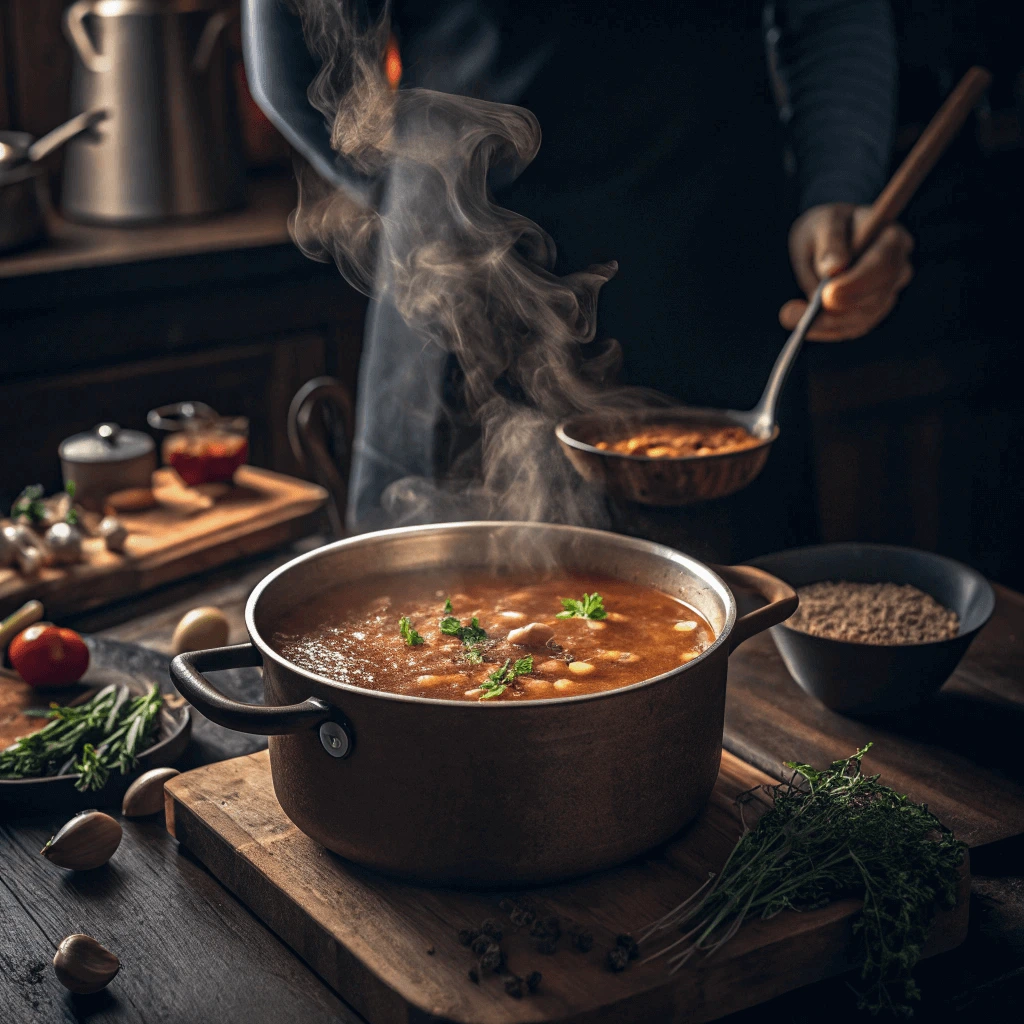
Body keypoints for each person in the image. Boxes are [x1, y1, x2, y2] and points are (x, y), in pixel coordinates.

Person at [342, 0, 915, 558]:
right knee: (421, 623)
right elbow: (295, 49)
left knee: (745, 628)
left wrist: (837, 190)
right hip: (455, 291)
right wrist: (413, 209)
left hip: (712, 277)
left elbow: (832, 14)